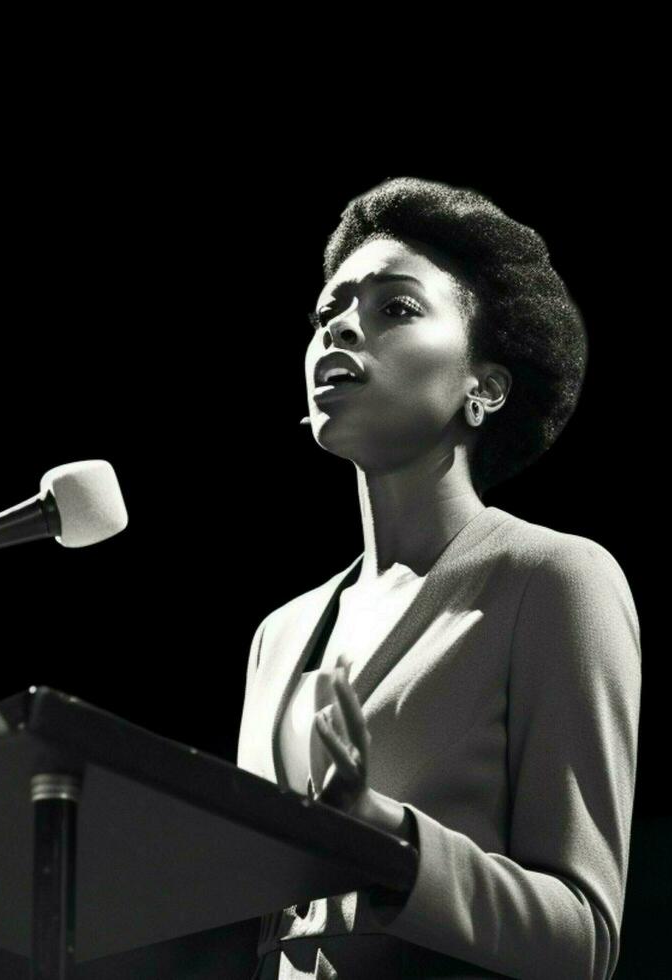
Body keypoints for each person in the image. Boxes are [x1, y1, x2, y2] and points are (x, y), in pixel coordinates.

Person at [237, 177, 642, 979]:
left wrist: (380, 835)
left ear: (483, 387)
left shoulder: (552, 580)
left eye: (396, 308)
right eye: (327, 312)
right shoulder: (277, 636)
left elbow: (581, 939)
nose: (340, 327)